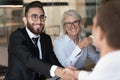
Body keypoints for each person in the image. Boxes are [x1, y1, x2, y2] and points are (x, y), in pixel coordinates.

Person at [4, 1, 63, 80]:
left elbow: (54, 62)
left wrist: (66, 72)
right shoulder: (17, 36)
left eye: (42, 17)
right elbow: (29, 60)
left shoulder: (46, 39)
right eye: (34, 17)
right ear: (25, 20)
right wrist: (57, 71)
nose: (39, 21)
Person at [62, 0, 120, 80]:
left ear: (100, 33)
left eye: (94, 25)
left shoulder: (106, 66)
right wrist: (77, 74)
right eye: (68, 23)